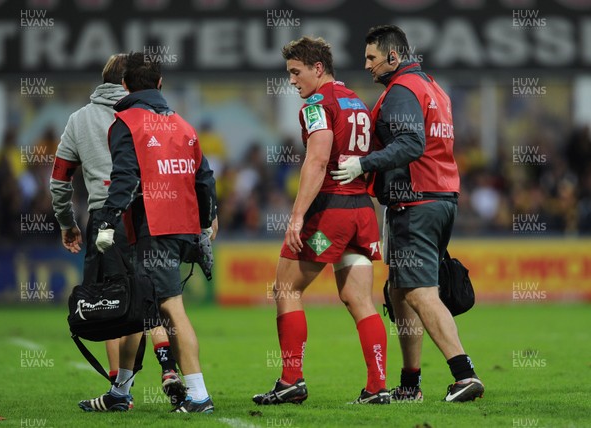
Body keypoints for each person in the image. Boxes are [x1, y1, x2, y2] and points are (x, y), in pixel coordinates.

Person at [332, 25, 484, 402]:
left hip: (415, 201)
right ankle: (410, 385)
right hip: (441, 196)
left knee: (418, 291)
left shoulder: (401, 91)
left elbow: (412, 143)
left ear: (393, 57)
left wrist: (363, 163)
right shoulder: (433, 87)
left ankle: (464, 374)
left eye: (371, 57)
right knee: (399, 292)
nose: (366, 65)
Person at [252, 36, 389, 405]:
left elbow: (316, 160)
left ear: (317, 69)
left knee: (286, 289)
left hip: (331, 208)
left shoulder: (318, 103)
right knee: (359, 298)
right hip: (362, 210)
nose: (292, 81)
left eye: (296, 72)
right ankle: (378, 387)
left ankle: (291, 380)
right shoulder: (356, 100)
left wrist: (296, 216)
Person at [79, 52, 218, 414]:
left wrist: (107, 221)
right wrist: (208, 220)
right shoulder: (183, 124)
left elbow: (125, 178)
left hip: (152, 228)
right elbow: (204, 177)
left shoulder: (126, 121)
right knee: (140, 311)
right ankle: (120, 392)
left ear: (124, 86)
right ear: (160, 84)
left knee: (170, 308)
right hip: (181, 226)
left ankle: (200, 397)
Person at [49, 53, 186, 407]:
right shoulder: (153, 114)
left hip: (104, 219)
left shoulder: (79, 120)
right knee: (151, 294)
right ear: (129, 81)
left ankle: (118, 392)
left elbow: (60, 180)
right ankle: (167, 366)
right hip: (150, 214)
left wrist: (67, 223)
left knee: (114, 300)